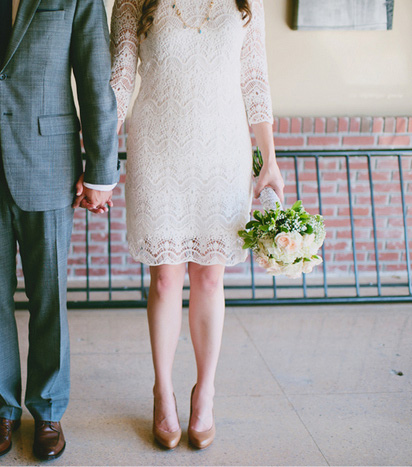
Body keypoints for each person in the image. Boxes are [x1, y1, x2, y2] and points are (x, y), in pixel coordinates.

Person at [0, 0, 119, 460]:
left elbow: (95, 77)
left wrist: (100, 171)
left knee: (49, 297)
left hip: (49, 166)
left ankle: (48, 411)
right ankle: (4, 411)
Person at [110, 0, 284, 450]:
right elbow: (120, 80)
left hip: (223, 152)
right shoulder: (133, 2)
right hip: (157, 150)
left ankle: (204, 391)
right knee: (166, 280)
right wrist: (98, 154)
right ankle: (163, 391)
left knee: (209, 277)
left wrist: (268, 162)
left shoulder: (247, 3)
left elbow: (255, 79)